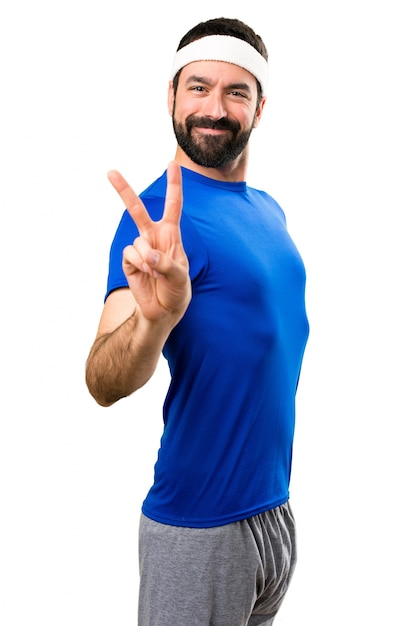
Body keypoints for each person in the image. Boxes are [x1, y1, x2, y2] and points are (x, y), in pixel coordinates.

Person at [86, 16, 309, 626]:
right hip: (199, 528)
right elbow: (103, 380)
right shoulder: (157, 220)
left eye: (236, 92)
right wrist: (154, 321)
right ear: (171, 96)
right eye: (199, 87)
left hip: (272, 513)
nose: (215, 108)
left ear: (260, 108)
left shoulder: (268, 212)